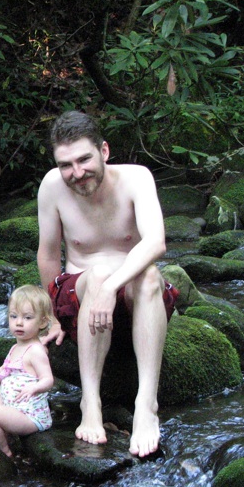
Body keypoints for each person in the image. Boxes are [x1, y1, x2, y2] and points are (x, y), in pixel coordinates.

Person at [36, 111, 178, 458]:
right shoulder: (52, 187)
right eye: (65, 164)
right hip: (79, 296)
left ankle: (146, 404)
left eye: (84, 159)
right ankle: (91, 402)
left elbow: (155, 243)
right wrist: (49, 317)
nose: (76, 172)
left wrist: (110, 287)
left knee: (148, 276)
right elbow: (48, 256)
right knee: (96, 275)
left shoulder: (137, 179)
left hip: (132, 297)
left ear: (104, 151)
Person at [0, 285, 55, 457]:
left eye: (27, 317)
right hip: (14, 405)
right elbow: (3, 370)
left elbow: (48, 379)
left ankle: (4, 453)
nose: (19, 322)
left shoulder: (35, 351)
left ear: (42, 322)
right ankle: (7, 437)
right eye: (14, 316)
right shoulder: (15, 347)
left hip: (30, 416)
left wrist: (34, 388)